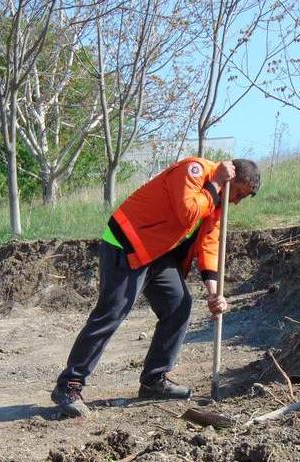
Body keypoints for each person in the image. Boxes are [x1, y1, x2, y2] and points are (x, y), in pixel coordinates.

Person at [50, 157, 261, 417]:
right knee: (112, 313)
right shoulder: (194, 172)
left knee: (178, 305)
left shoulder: (217, 198)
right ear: (231, 178)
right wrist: (216, 183)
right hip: (126, 241)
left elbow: (209, 242)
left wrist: (214, 292)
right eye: (238, 193)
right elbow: (188, 212)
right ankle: (69, 384)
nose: (236, 201)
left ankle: (154, 380)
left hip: (157, 252)